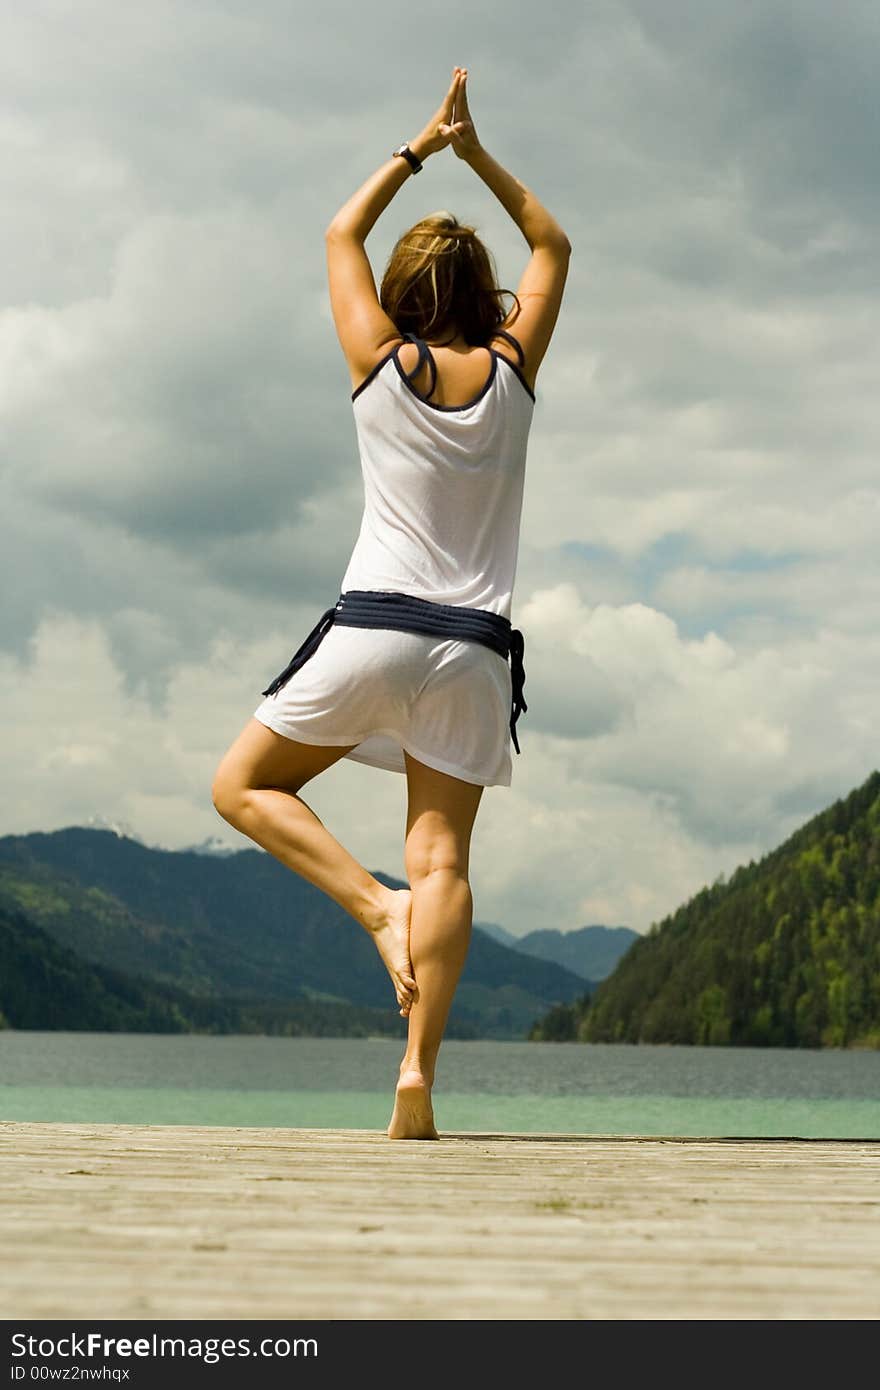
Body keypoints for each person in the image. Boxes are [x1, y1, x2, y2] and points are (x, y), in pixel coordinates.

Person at [211, 67, 571, 1139]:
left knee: (241, 787)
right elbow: (553, 247)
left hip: (371, 625)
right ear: (478, 292)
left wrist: (421, 145)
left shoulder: (377, 359)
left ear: (405, 291)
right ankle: (415, 1073)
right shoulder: (512, 374)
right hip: (471, 650)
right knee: (446, 861)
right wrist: (480, 157)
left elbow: (338, 232)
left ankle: (377, 909)